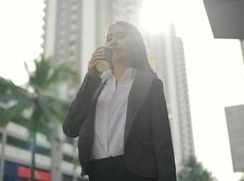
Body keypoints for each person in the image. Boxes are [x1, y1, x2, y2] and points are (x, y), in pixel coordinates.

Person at [63, 21, 176, 181]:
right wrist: (91, 78)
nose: (113, 41)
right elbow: (70, 128)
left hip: (137, 173)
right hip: (98, 173)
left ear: (135, 44)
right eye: (109, 38)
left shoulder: (150, 84)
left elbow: (162, 143)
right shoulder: (96, 86)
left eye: (120, 36)